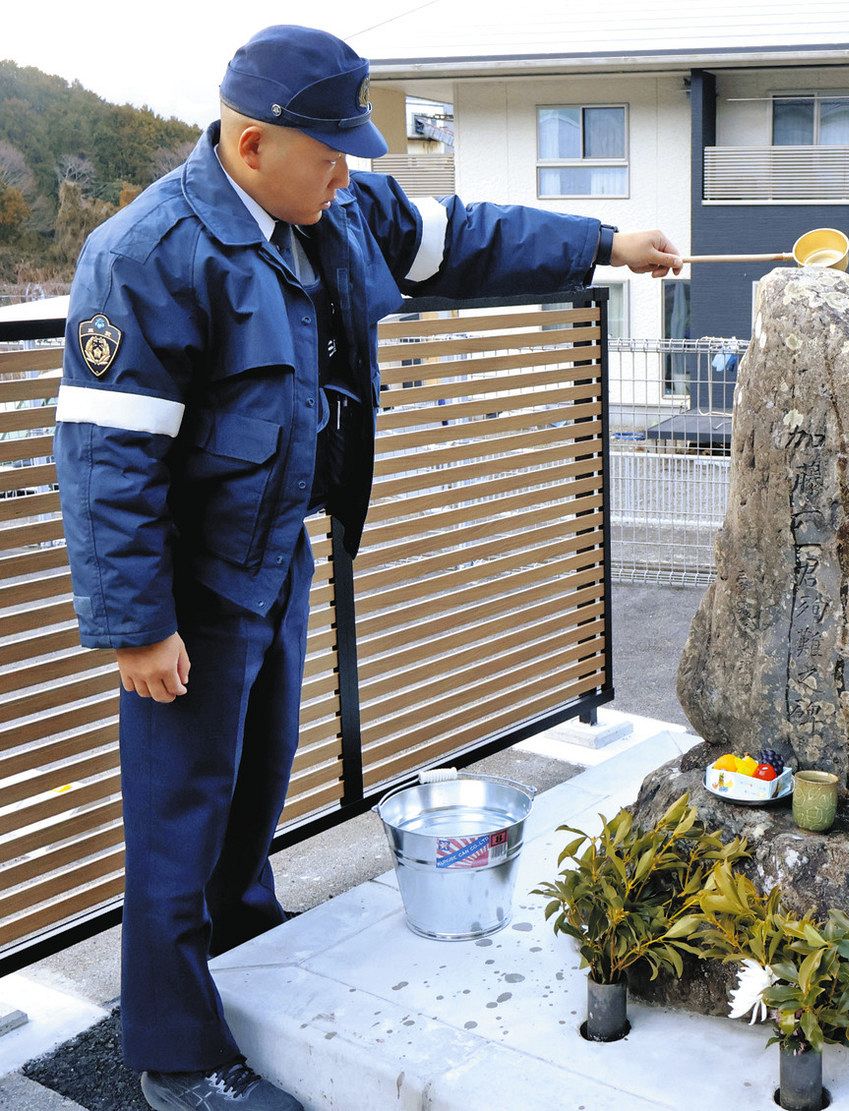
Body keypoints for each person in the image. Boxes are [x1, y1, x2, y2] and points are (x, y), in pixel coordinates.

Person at [53, 24, 682, 1111]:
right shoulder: (147, 254)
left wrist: (604, 244)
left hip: (277, 553)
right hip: (189, 585)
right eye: (329, 150)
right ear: (252, 147)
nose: (348, 171)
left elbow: (465, 235)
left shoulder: (336, 208)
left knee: (258, 779)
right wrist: (134, 625)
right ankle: (175, 1054)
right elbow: (107, 458)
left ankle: (246, 942)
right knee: (178, 814)